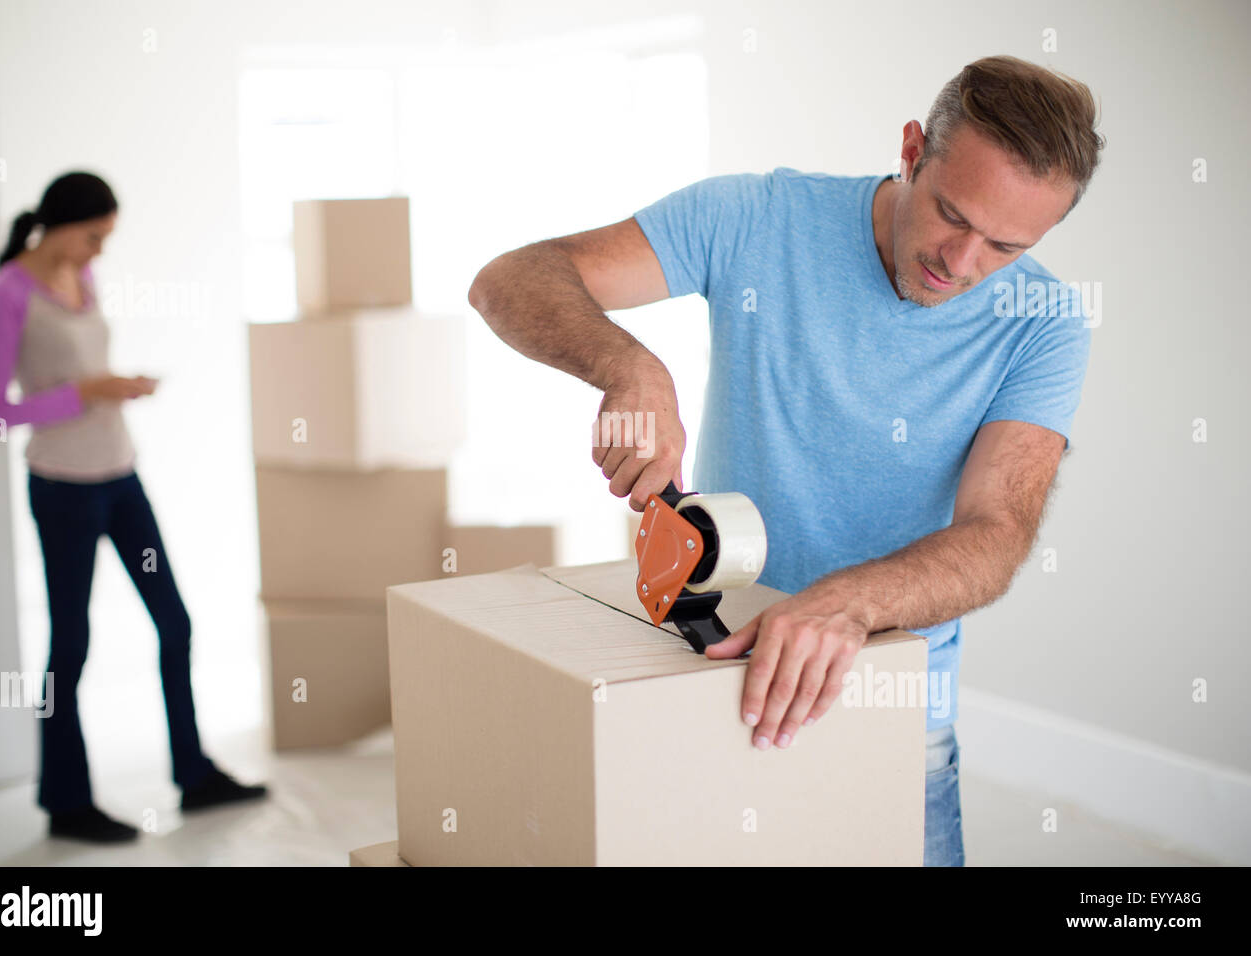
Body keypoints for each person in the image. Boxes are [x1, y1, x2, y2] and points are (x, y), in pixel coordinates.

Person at [468, 56, 1105, 866]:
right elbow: (510, 279)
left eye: (1005, 245)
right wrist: (630, 367)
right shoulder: (757, 218)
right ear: (911, 149)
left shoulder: (1044, 320)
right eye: (952, 213)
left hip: (897, 705)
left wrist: (843, 604)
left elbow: (997, 531)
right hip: (714, 669)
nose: (963, 261)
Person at [0, 171, 267, 844]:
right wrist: (85, 390)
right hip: (63, 489)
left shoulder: (85, 278)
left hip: (121, 476)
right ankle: (66, 803)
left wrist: (116, 387)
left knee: (175, 621)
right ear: (61, 224)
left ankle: (194, 777)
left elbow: (83, 370)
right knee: (71, 646)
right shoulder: (7, 295)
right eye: (95, 237)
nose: (100, 253)